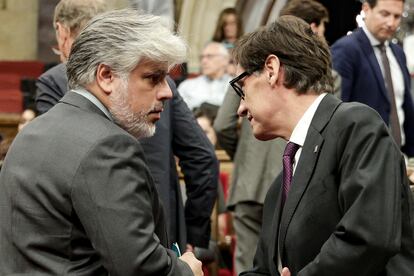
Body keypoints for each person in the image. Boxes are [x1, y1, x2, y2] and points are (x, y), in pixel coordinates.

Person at [0, 9, 204, 276]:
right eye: (153, 78)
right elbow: (140, 266)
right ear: (106, 76)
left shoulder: (33, 130)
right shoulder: (108, 146)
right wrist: (185, 270)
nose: (166, 92)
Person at [230, 15, 414, 275]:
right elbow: (264, 269)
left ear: (271, 70)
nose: (240, 108)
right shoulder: (279, 186)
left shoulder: (357, 127)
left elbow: (368, 239)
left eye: (241, 87)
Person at [36, 0, 219, 253]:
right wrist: (193, 235)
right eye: (153, 78)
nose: (162, 91)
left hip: (94, 244)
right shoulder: (61, 82)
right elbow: (203, 157)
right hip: (158, 237)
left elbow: (54, 167)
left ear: (62, 31)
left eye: (161, 78)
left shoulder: (54, 81)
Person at [331, 0, 414, 158]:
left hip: (399, 156)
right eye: (385, 14)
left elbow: (405, 108)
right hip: (362, 159)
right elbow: (335, 113)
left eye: (397, 16)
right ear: (366, 9)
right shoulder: (346, 50)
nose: (391, 23)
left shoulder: (398, 53)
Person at [280, 0, 341, 96]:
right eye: (322, 32)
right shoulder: (327, 77)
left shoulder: (267, 65)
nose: (323, 37)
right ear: (313, 28)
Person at [178, 42, 231, 111]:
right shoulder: (187, 85)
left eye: (209, 56)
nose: (204, 61)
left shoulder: (236, 85)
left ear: (225, 60)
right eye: (202, 57)